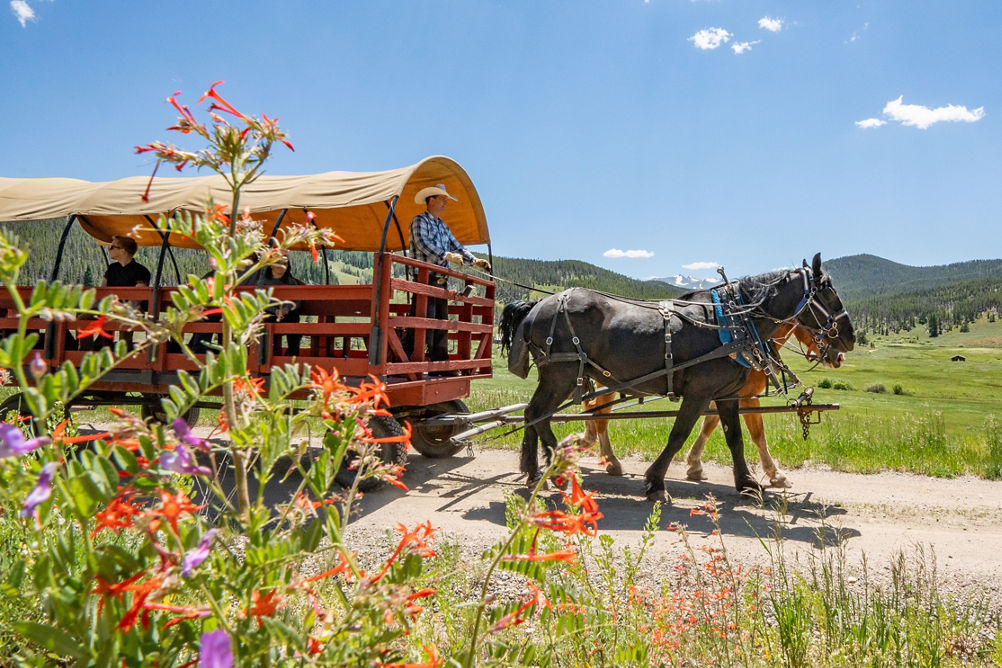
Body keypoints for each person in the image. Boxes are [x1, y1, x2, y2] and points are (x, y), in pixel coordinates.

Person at [407, 183, 491, 367]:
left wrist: (474, 260)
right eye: (442, 199)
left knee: (441, 323)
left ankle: (439, 365)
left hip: (440, 281)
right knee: (425, 321)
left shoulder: (442, 225)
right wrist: (446, 255)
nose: (445, 202)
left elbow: (457, 246)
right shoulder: (419, 221)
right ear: (431, 200)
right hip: (424, 279)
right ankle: (410, 360)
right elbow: (423, 244)